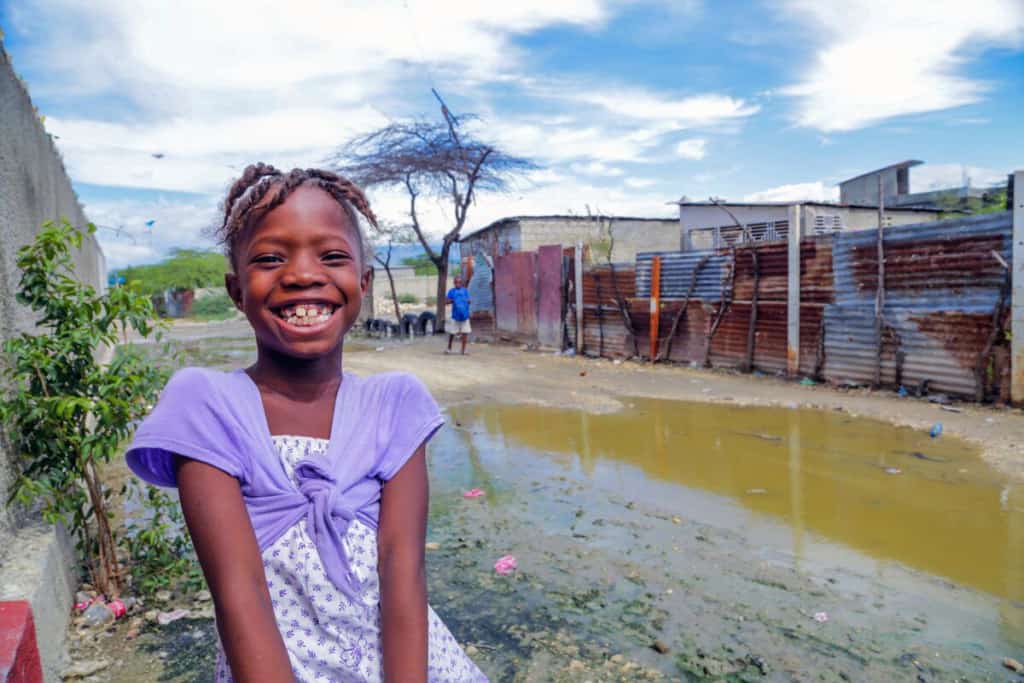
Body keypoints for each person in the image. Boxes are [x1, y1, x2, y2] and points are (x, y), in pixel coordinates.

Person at [125, 164, 487, 683]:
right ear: (235, 288)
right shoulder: (206, 407)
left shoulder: (396, 404)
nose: (300, 274)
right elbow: (238, 590)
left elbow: (402, 571)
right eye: (270, 258)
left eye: (332, 256)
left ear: (362, 283)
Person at [445, 276, 471, 355]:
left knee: (465, 332)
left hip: (464, 315)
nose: (458, 284)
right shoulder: (451, 291)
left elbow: (469, 301)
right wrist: (452, 300)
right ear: (454, 283)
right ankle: (449, 347)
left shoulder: (465, 291)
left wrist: (467, 301)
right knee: (452, 332)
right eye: (456, 282)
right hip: (455, 315)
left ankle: (463, 350)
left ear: (462, 283)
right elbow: (446, 302)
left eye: (459, 282)